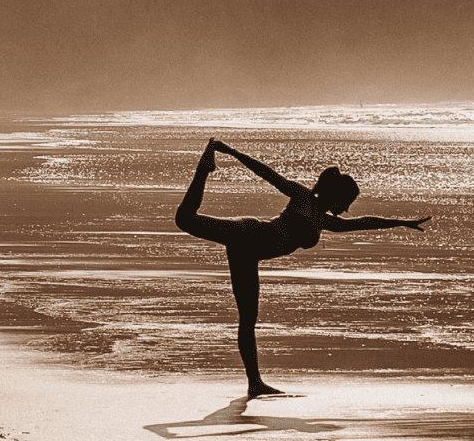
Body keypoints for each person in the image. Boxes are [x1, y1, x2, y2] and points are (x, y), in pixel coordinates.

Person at [174, 139, 430, 397]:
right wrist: (232, 152)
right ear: (335, 195)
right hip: (247, 232)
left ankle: (255, 383)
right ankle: (205, 167)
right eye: (346, 201)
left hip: (247, 254)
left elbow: (362, 222)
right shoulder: (302, 197)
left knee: (248, 318)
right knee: (184, 219)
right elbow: (267, 173)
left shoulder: (325, 221)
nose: (346, 208)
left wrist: (401, 222)